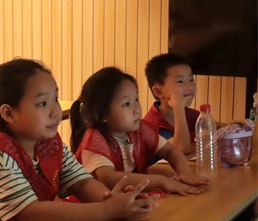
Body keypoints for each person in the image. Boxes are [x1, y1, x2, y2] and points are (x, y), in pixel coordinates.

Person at [0, 58, 156, 221]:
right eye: (42, 104)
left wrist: (111, 199)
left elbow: (81, 182)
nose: (56, 111)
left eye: (55, 99)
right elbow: (32, 214)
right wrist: (107, 210)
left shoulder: (46, 141)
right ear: (9, 114)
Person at [70, 67, 209, 196]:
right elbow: (109, 178)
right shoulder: (95, 142)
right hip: (97, 207)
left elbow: (170, 151)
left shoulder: (139, 129)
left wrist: (185, 173)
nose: (136, 109)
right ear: (102, 115)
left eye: (136, 99)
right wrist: (161, 181)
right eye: (127, 104)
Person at [143, 53, 199, 155]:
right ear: (158, 92)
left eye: (191, 80)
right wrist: (178, 108)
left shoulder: (191, 114)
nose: (190, 86)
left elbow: (217, 127)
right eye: (180, 81)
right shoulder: (151, 126)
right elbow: (181, 149)